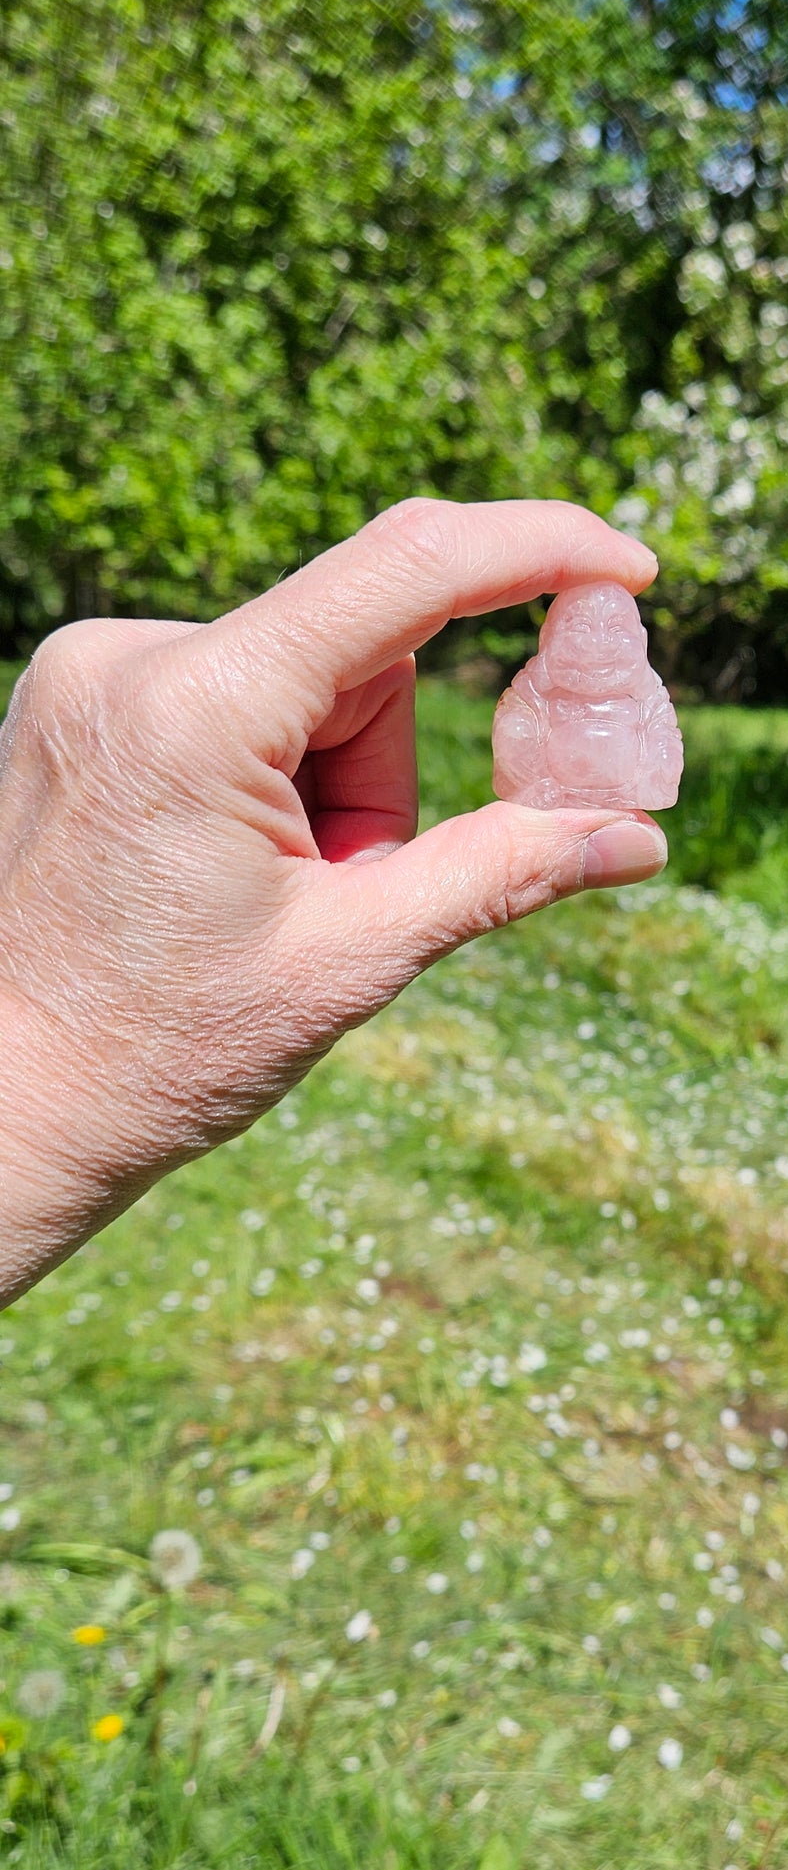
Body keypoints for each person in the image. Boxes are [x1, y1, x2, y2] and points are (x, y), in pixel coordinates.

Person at [0, 498, 666, 1309]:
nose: (597, 647)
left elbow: (656, 743)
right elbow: (521, 735)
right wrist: (45, 1061)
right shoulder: (537, 689)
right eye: (583, 634)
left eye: (613, 636)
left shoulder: (640, 695)